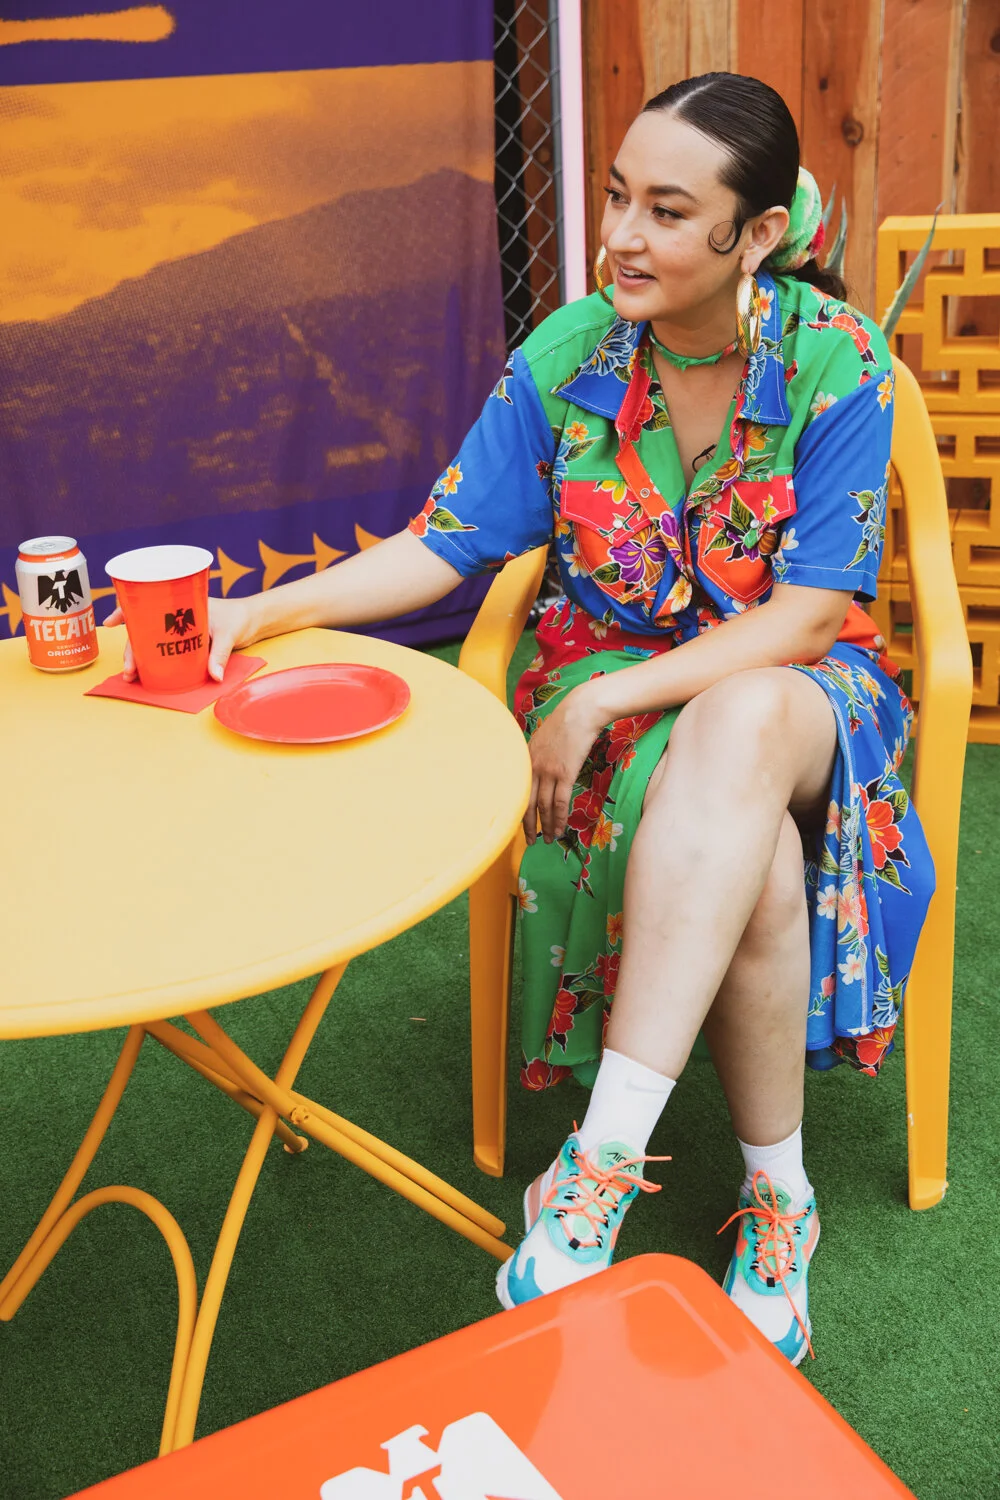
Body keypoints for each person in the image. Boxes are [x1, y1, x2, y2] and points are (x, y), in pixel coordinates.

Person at [110, 72, 934, 1366]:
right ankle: (782, 1197)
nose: (621, 237)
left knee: (737, 720)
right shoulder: (571, 356)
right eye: (617, 196)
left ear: (758, 233)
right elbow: (444, 543)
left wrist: (602, 695)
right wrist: (259, 609)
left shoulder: (840, 364)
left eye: (669, 211)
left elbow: (808, 617)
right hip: (628, 698)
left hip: (799, 701)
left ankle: (597, 1165)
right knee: (762, 861)